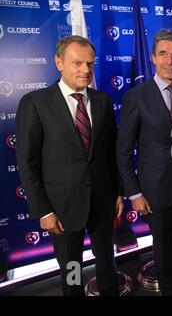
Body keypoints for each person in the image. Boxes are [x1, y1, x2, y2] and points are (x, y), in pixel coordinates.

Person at [15, 35, 123, 296]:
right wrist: (43, 211)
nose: (85, 70)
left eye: (89, 64)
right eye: (77, 63)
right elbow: (28, 163)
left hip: (102, 201)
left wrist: (117, 191)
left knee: (107, 262)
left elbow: (110, 153)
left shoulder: (102, 101)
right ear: (58, 63)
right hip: (61, 208)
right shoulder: (35, 103)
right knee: (72, 268)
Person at [116, 30, 172, 296]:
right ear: (153, 58)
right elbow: (124, 151)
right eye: (163, 54)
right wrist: (135, 193)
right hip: (155, 190)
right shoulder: (137, 96)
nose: (169, 61)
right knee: (164, 246)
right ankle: (169, 289)